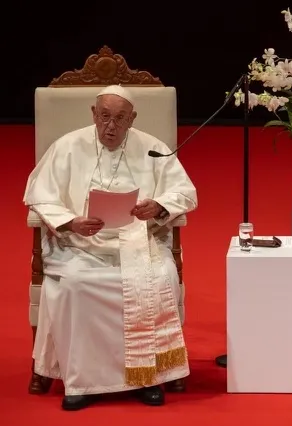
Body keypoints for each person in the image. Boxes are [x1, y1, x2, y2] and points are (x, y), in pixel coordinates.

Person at [23, 85, 198, 411]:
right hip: (80, 245)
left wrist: (158, 206)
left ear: (132, 119)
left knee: (158, 278)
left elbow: (185, 192)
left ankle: (147, 377)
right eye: (104, 117)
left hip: (139, 242)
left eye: (119, 119)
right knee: (75, 284)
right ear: (93, 114)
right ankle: (82, 382)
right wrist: (70, 221)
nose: (111, 127)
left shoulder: (153, 148)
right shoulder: (67, 147)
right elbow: (38, 195)